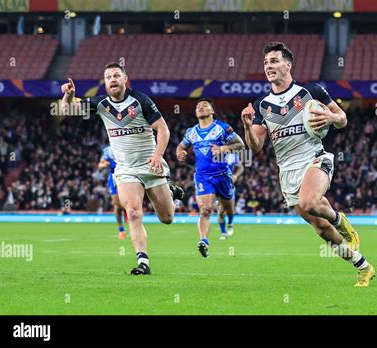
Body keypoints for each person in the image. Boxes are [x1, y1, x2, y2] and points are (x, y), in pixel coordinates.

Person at [241, 42, 375, 287]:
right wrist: (248, 127)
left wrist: (333, 117)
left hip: (316, 158)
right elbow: (255, 146)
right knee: (321, 229)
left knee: (309, 202)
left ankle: (341, 221)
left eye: (274, 61)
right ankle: (363, 266)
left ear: (288, 65)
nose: (268, 66)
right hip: (287, 172)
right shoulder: (262, 105)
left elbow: (343, 118)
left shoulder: (311, 91)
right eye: (266, 63)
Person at [60, 63, 184, 275]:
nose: (113, 79)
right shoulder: (100, 103)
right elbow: (66, 110)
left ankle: (170, 191)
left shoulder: (141, 100)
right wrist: (69, 96)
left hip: (150, 164)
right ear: (105, 82)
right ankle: (143, 262)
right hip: (126, 169)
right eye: (108, 76)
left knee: (167, 218)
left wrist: (157, 155)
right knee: (134, 212)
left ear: (125, 79)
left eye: (117, 75)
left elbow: (163, 129)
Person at [176, 99, 244, 258]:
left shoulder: (222, 128)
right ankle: (204, 241)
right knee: (205, 210)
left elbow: (240, 144)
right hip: (203, 177)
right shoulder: (191, 132)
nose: (200, 107)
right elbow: (181, 146)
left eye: (204, 105)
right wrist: (180, 152)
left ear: (212, 111)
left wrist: (223, 148)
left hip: (222, 175)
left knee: (228, 209)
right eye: (198, 106)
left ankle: (230, 221)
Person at [98, 145, 127, 239]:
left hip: (126, 176)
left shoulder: (126, 146)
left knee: (128, 203)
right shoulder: (107, 150)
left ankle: (127, 211)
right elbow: (100, 166)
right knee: (117, 206)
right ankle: (121, 230)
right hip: (113, 178)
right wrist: (104, 165)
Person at [217, 153, 244, 240]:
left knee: (230, 210)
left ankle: (230, 223)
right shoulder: (214, 154)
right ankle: (223, 233)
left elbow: (241, 167)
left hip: (229, 186)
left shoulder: (232, 156)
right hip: (217, 185)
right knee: (220, 211)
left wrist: (235, 175)